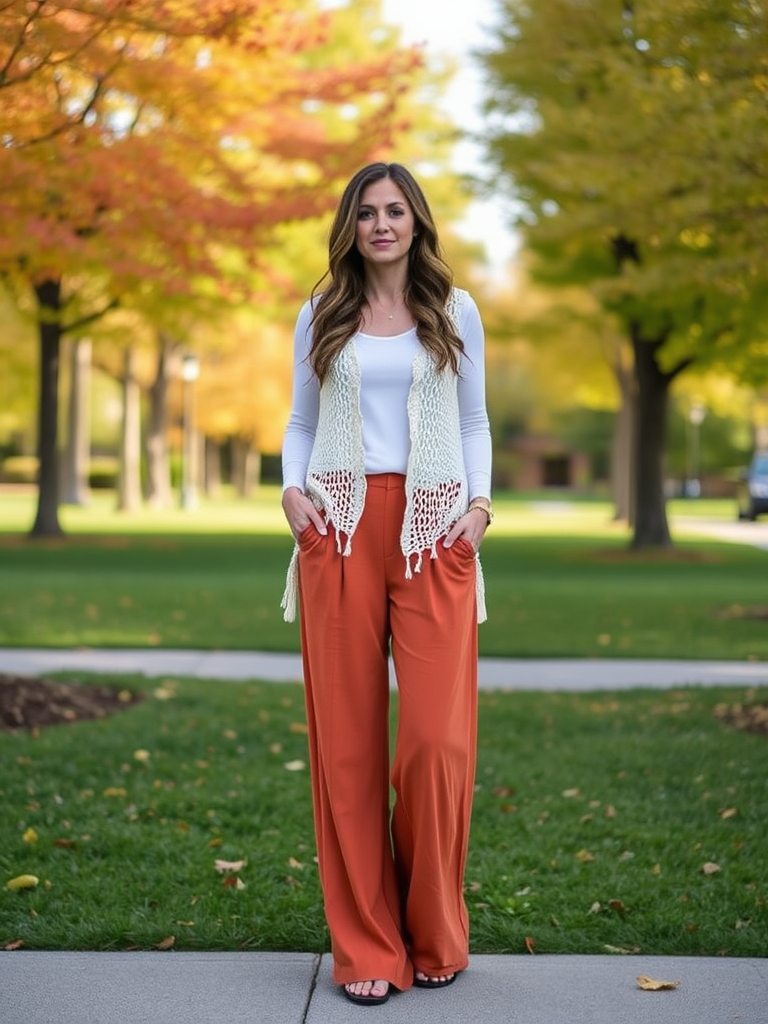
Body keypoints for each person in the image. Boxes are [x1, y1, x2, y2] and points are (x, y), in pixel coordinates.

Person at [280, 161, 492, 1007]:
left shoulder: (455, 309)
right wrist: (290, 496)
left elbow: (474, 419)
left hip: (435, 523)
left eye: (394, 210)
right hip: (334, 524)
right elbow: (298, 423)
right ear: (351, 225)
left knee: (435, 744)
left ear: (416, 221)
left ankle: (434, 927)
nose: (380, 225)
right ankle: (367, 946)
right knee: (349, 748)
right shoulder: (320, 311)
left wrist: (478, 511)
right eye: (366, 212)